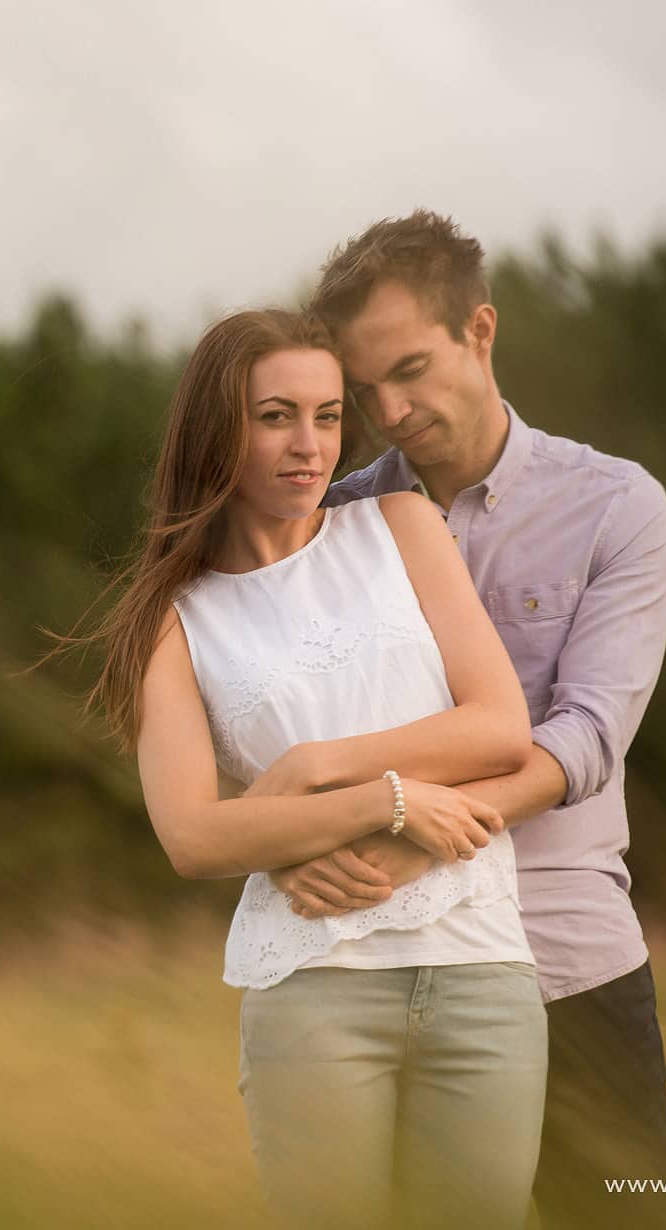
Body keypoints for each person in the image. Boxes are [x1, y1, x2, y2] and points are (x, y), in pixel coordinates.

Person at [59, 307, 548, 1226]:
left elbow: (499, 728)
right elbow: (196, 837)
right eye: (275, 415)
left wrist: (316, 769)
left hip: (481, 970)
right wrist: (392, 799)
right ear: (218, 428)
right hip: (314, 985)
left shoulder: (401, 526)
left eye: (327, 417)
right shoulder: (171, 616)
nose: (309, 445)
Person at [271, 210, 666, 1229]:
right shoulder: (333, 528)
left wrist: (426, 842)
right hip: (393, 972)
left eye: (410, 369)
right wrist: (285, 851)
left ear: (479, 332)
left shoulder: (616, 508)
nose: (391, 409)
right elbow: (278, 739)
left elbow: (585, 736)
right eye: (364, 391)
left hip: (569, 962)